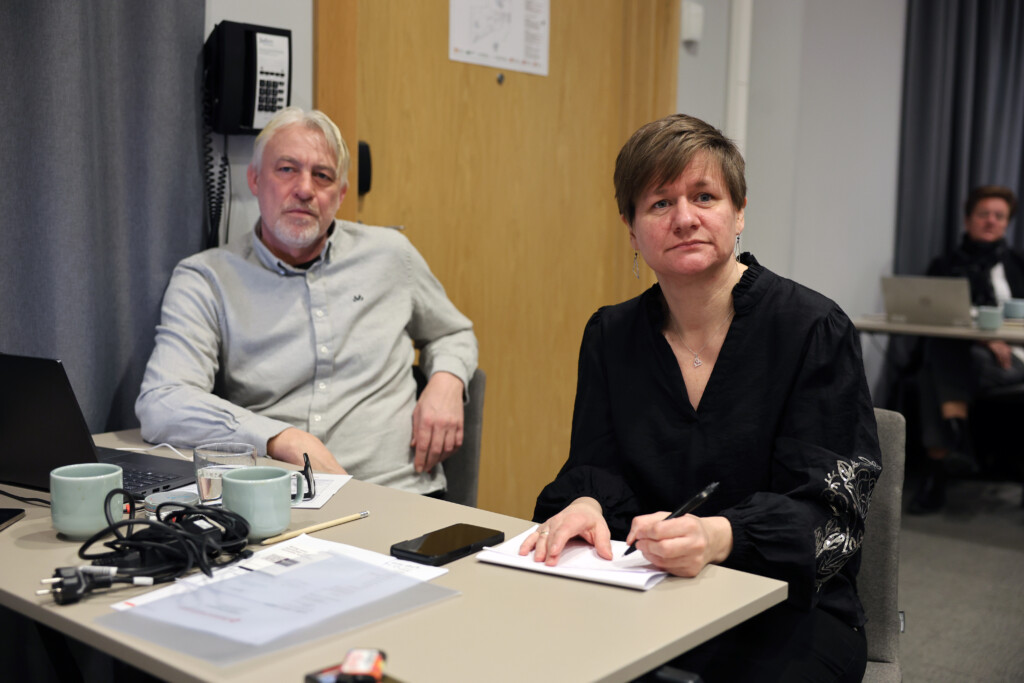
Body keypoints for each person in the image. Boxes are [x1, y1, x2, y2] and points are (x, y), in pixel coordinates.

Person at [518, 114, 881, 681]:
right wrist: (587, 505)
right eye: (659, 203)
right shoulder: (610, 334)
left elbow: (835, 518)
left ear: (739, 212)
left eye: (704, 196)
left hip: (784, 609)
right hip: (644, 594)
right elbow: (596, 464)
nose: (684, 218)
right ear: (631, 227)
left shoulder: (812, 328)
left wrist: (716, 537)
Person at [136, 107, 477, 495]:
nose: (304, 188)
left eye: (323, 175)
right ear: (254, 179)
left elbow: (453, 332)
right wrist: (282, 439)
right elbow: (162, 401)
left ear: (341, 194)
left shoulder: (392, 256)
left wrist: (448, 381)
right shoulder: (207, 279)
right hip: (279, 500)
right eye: (286, 169)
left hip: (401, 495)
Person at [910, 186, 1023, 513]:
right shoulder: (945, 265)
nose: (991, 221)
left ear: (1007, 223)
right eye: (984, 214)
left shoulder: (1017, 264)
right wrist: (984, 338)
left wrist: (1001, 336)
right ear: (967, 220)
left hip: (1015, 357)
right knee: (941, 351)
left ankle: (940, 467)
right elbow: (932, 314)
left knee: (935, 363)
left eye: (999, 216)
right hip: (970, 357)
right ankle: (955, 436)